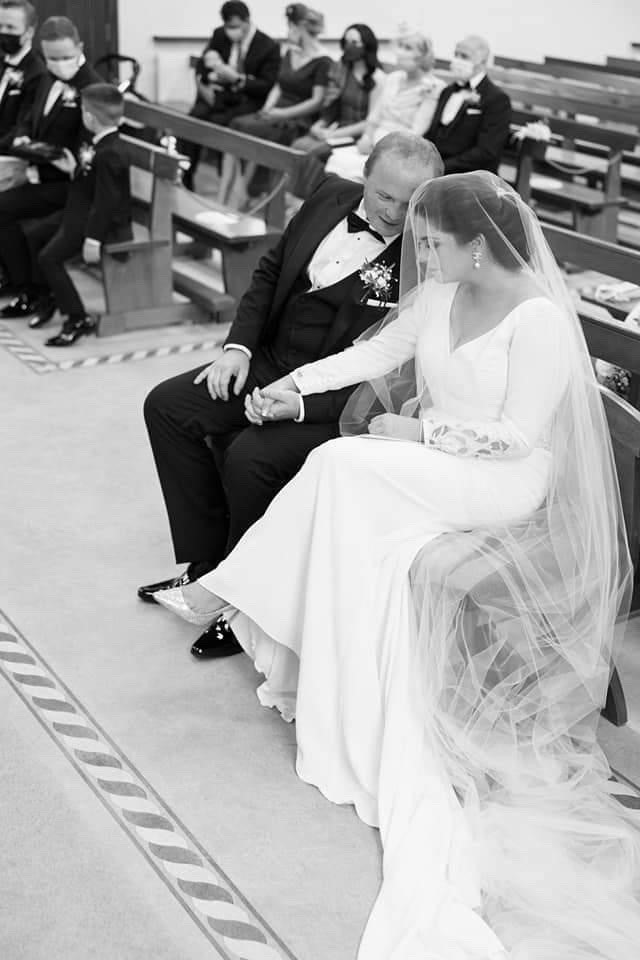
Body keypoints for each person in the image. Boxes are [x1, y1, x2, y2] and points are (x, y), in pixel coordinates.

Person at [156, 171, 640, 959]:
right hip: (436, 466)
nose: (420, 254)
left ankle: (226, 589)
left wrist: (419, 436)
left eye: (432, 243)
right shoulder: (442, 297)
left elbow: (520, 437)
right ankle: (273, 624)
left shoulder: (542, 319)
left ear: (478, 247)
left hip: (501, 482)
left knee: (349, 465)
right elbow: (370, 352)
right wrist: (289, 387)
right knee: (346, 481)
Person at [139, 133, 443, 661]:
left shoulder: (429, 256)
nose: (393, 214)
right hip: (270, 360)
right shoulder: (329, 195)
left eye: (408, 202)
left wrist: (299, 402)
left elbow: (387, 371)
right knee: (167, 406)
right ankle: (207, 566)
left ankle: (243, 607)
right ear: (363, 176)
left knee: (248, 457)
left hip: (346, 399)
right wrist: (237, 348)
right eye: (383, 196)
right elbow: (271, 270)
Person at [0, 15, 100, 317]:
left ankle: (30, 289)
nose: (59, 64)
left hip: (70, 187)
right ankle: (21, 283)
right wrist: (20, 141)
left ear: (80, 46)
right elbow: (28, 120)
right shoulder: (47, 77)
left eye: (67, 56)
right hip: (41, 172)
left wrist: (30, 170)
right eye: (52, 58)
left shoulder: (92, 88)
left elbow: (83, 156)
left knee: (2, 207)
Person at [19, 83, 132, 347]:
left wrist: (93, 239)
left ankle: (77, 318)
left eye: (82, 111)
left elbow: (107, 201)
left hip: (97, 223)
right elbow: (91, 183)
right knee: (33, 235)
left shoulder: (112, 153)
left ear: (90, 117)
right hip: (77, 212)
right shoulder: (101, 144)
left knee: (49, 258)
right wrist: (73, 170)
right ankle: (50, 298)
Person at [218, 3, 331, 209]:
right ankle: (229, 194)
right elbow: (278, 85)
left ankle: (240, 197)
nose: (287, 32)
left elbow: (317, 101)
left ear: (301, 28)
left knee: (244, 129)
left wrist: (282, 114)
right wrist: (268, 108)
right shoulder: (289, 53)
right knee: (235, 125)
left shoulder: (323, 60)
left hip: (297, 119)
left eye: (290, 27)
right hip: (275, 112)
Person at [180, 1, 280, 191]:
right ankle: (187, 178)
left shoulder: (268, 46)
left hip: (245, 100)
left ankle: (226, 186)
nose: (230, 31)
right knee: (191, 123)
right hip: (216, 97)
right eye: (227, 26)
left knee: (224, 125)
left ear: (247, 21)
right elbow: (202, 66)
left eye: (235, 26)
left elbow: (266, 85)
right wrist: (207, 81)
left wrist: (238, 79)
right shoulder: (220, 35)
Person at [325, 32, 444, 182]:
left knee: (357, 174)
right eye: (400, 46)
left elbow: (417, 131)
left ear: (422, 55)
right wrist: (366, 137)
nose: (400, 52)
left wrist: (380, 147)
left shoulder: (432, 87)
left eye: (408, 48)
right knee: (336, 162)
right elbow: (374, 116)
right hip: (371, 144)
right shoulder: (393, 78)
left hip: (399, 151)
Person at [290, 23, 385, 197]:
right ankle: (291, 198)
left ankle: (305, 201)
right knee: (298, 144)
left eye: (355, 42)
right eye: (346, 41)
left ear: (367, 45)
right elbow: (332, 107)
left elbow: (370, 121)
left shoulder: (377, 77)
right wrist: (320, 125)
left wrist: (334, 134)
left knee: (314, 152)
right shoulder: (342, 70)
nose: (349, 46)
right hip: (336, 129)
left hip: (356, 135)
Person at [425, 34, 511, 174]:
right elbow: (432, 134)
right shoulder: (447, 92)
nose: (457, 60)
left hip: (469, 175)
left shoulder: (497, 99)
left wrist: (443, 167)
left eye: (464, 57)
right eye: (456, 55)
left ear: (482, 62)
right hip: (437, 167)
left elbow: (486, 151)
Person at [0, 0, 44, 154]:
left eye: (10, 27)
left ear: (29, 32)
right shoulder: (2, 61)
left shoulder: (37, 72)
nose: (4, 32)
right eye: (0, 26)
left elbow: (24, 124)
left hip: (10, 155)